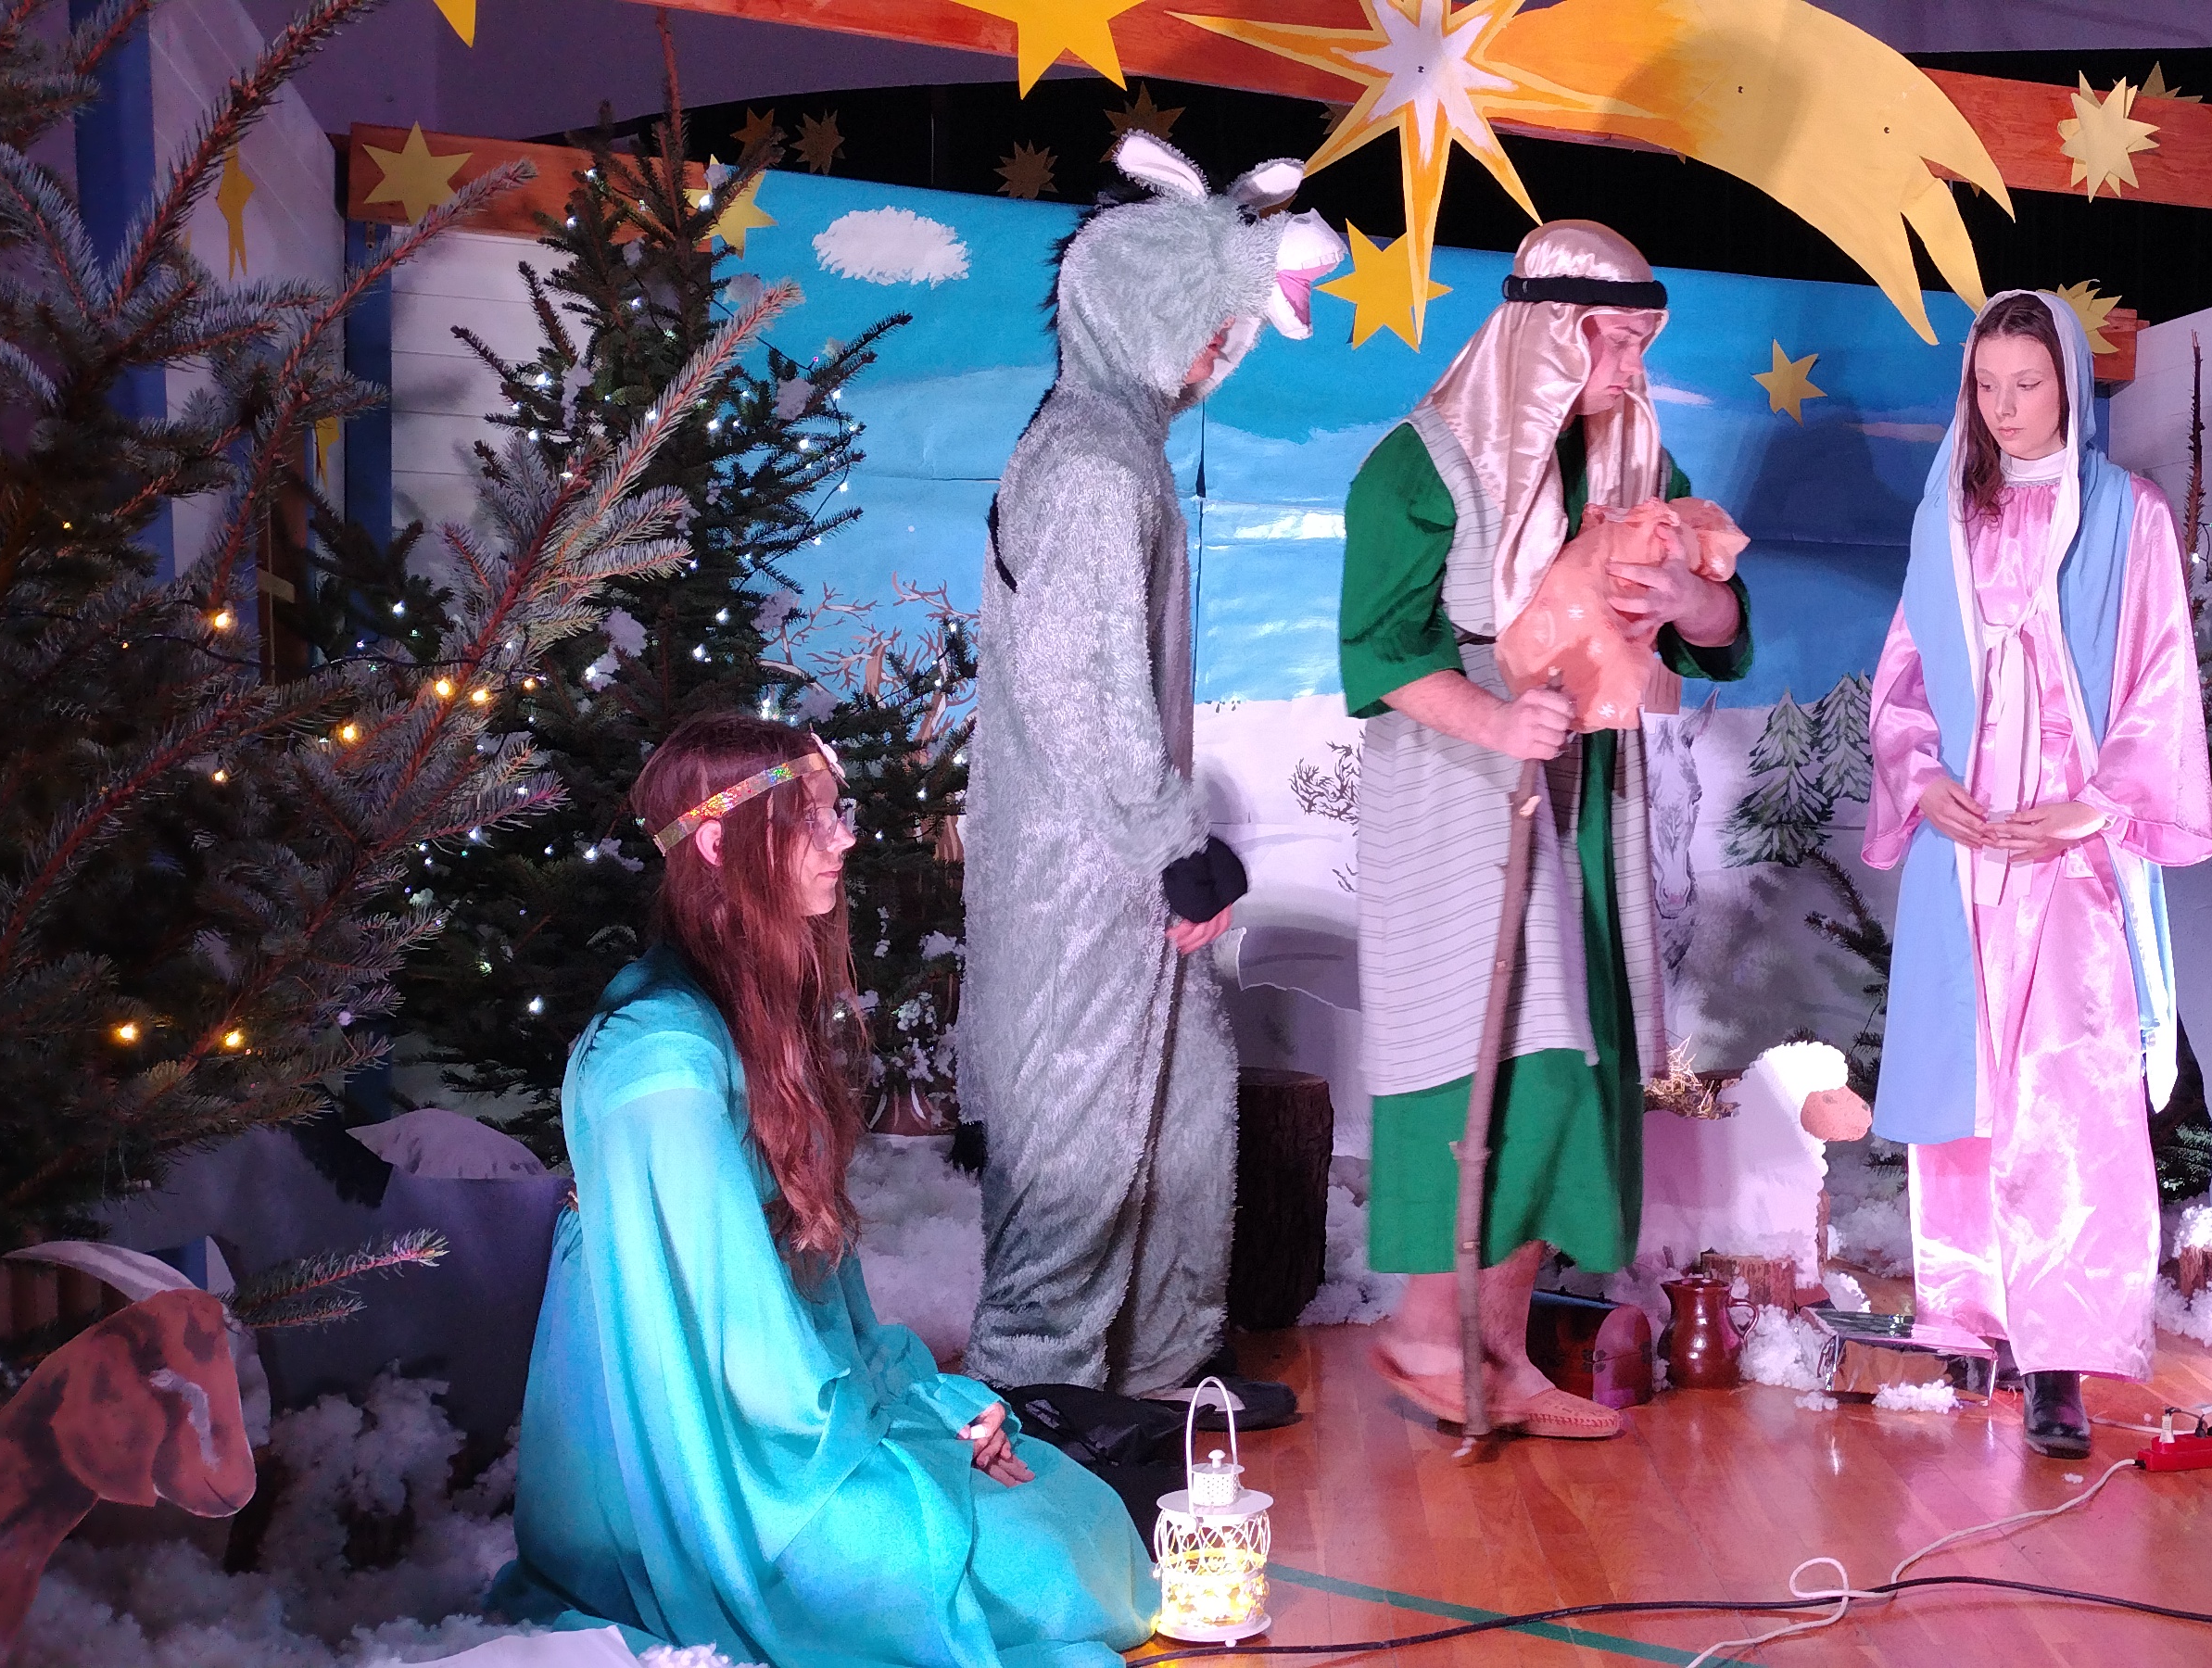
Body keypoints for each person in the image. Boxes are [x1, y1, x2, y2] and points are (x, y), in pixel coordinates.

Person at [498, 714, 1155, 1666]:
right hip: (716, 1467)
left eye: (836, 813)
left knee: (1075, 1516)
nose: (842, 838)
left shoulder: (755, 1016)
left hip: (792, 1416)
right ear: (717, 845)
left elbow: (821, 1296)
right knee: (1043, 1569)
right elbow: (738, 1353)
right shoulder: (663, 1067)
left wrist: (921, 1396)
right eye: (810, 818)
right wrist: (905, 1427)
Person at [1342, 222, 1751, 1440]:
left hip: (1582, 782)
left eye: (1640, 344)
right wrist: (1494, 718)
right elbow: (1380, 651)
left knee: (1574, 1058)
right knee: (1493, 1052)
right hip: (1456, 785)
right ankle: (1427, 1332)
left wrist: (1688, 596)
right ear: (1549, 336)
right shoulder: (1417, 467)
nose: (1631, 367)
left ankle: (1498, 1352)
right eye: (1613, 342)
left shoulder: (1629, 458)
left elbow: (1721, 629)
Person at [958, 132, 1342, 1397]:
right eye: (1210, 330)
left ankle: (1159, 1371)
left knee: (1175, 1105)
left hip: (1117, 857)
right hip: (1081, 872)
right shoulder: (1085, 465)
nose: (1216, 359)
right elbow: (1080, 687)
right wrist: (1169, 844)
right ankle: (1041, 1399)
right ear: (1146, 312)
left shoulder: (1115, 450)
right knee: (1081, 1129)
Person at [1862, 291, 2212, 1460]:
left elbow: (2160, 672)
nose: (2006, 409)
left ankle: (2061, 1353)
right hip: (1964, 847)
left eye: (2028, 383)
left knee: (2070, 1098)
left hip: (2068, 851)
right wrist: (1921, 781)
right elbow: (1905, 676)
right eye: (1987, 387)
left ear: (2069, 382)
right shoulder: (1947, 516)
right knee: (1965, 1095)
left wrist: (2094, 805)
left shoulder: (2125, 511)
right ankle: (1973, 1318)